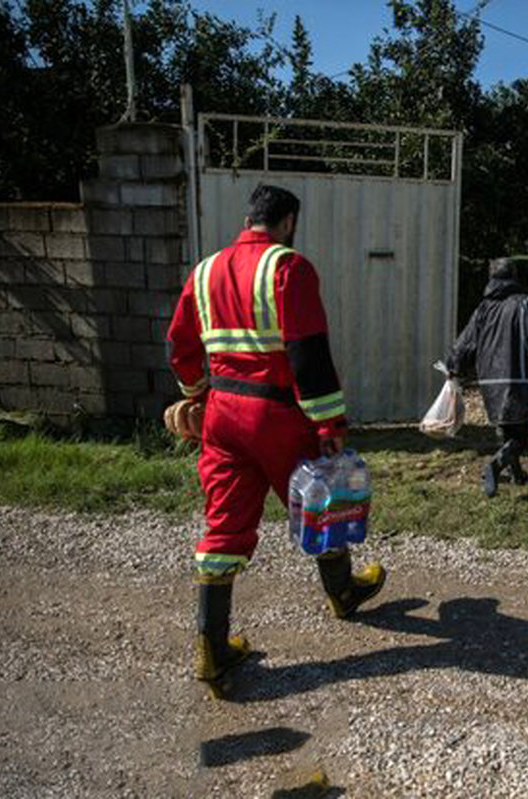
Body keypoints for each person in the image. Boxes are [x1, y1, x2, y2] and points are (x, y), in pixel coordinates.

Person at [164, 184, 386, 696]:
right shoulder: (289, 267)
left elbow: (179, 343)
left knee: (224, 525)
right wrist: (330, 425)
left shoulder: (205, 271)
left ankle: (212, 650)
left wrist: (195, 393)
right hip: (277, 413)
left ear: (250, 219)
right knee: (321, 501)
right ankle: (344, 594)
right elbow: (307, 352)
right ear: (287, 221)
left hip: (221, 414)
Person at [446, 258, 528, 497]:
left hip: (488, 381)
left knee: (508, 431)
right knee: (526, 436)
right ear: (514, 276)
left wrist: (453, 367)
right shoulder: (527, 304)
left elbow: (465, 342)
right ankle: (494, 466)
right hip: (518, 380)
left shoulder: (483, 309)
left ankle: (516, 474)